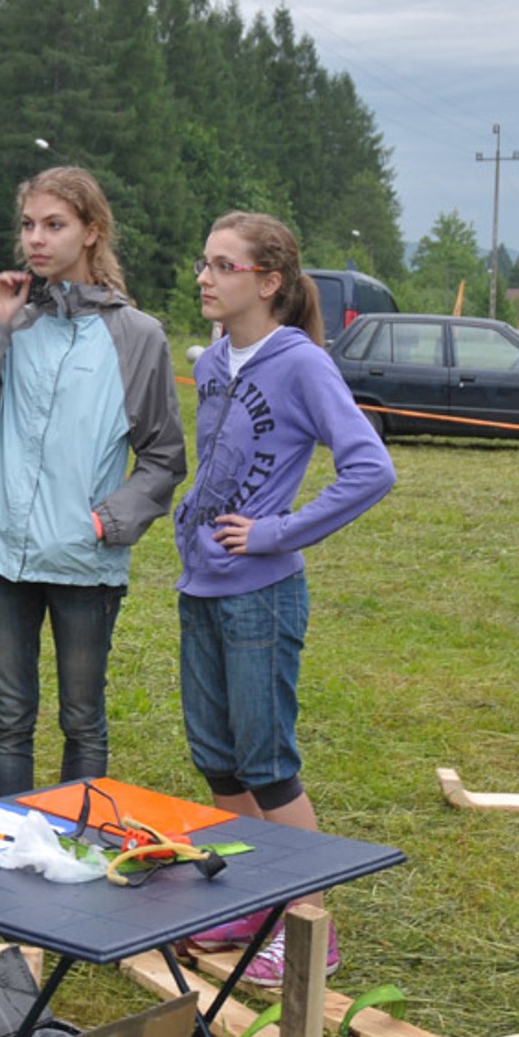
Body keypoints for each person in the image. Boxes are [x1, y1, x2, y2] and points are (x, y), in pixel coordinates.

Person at [177, 212, 395, 986]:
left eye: (223, 265)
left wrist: (278, 532)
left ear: (267, 281)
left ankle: (309, 931)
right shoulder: (211, 364)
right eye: (203, 263)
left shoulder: (301, 365)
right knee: (220, 764)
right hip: (199, 587)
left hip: (260, 597)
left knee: (268, 767)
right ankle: (243, 904)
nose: (205, 276)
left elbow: (371, 469)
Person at [0, 167, 185, 798]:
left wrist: (109, 521)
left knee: (82, 720)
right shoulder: (13, 325)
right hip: (1, 559)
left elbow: (163, 457)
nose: (36, 240)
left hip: (84, 559)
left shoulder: (139, 336)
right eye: (28, 225)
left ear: (92, 232)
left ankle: (78, 846)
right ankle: (10, 864)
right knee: (10, 720)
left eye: (54, 225)